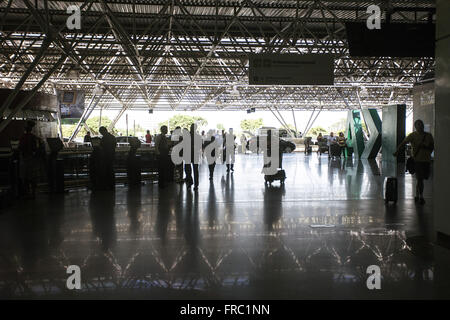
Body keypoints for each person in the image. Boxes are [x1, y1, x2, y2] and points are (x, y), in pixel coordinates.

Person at [394, 119, 434, 205]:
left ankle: (417, 195)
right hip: (418, 160)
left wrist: (426, 149)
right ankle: (421, 197)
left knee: (421, 179)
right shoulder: (412, 135)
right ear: (415, 127)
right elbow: (403, 143)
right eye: (418, 125)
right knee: (420, 179)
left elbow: (432, 146)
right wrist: (397, 151)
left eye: (421, 124)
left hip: (426, 160)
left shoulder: (428, 136)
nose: (420, 126)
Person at [18, 121, 39, 198]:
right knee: (32, 176)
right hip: (31, 158)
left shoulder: (23, 137)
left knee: (25, 176)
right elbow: (36, 148)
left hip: (25, 158)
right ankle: (33, 193)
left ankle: (27, 192)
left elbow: (20, 147)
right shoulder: (34, 137)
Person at [186, 124, 202, 190]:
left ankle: (190, 182)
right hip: (195, 154)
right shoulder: (198, 136)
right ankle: (195, 184)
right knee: (195, 170)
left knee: (188, 170)